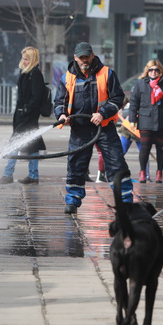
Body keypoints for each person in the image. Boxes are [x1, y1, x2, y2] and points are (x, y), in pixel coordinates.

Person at [55, 42, 133, 214]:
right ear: (75, 57)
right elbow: (59, 101)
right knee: (75, 165)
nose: (84, 60)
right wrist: (61, 115)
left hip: (104, 128)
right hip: (79, 130)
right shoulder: (67, 78)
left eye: (87, 56)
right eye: (81, 57)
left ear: (92, 56)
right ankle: (73, 200)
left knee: (116, 162)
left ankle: (125, 200)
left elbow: (118, 98)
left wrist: (102, 113)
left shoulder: (107, 74)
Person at [127, 59, 163, 183]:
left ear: (161, 71)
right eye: (151, 70)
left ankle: (159, 173)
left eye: (156, 70)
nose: (153, 72)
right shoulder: (140, 83)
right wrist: (132, 119)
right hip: (145, 120)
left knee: (161, 148)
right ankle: (142, 173)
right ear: (147, 71)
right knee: (145, 148)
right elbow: (134, 103)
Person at [0, 47, 48, 185]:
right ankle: (33, 176)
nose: (23, 61)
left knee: (16, 142)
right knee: (31, 144)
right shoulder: (25, 72)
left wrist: (26, 110)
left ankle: (8, 174)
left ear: (32, 60)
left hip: (28, 116)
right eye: (23, 58)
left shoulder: (35, 74)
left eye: (26, 59)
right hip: (23, 114)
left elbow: (36, 97)